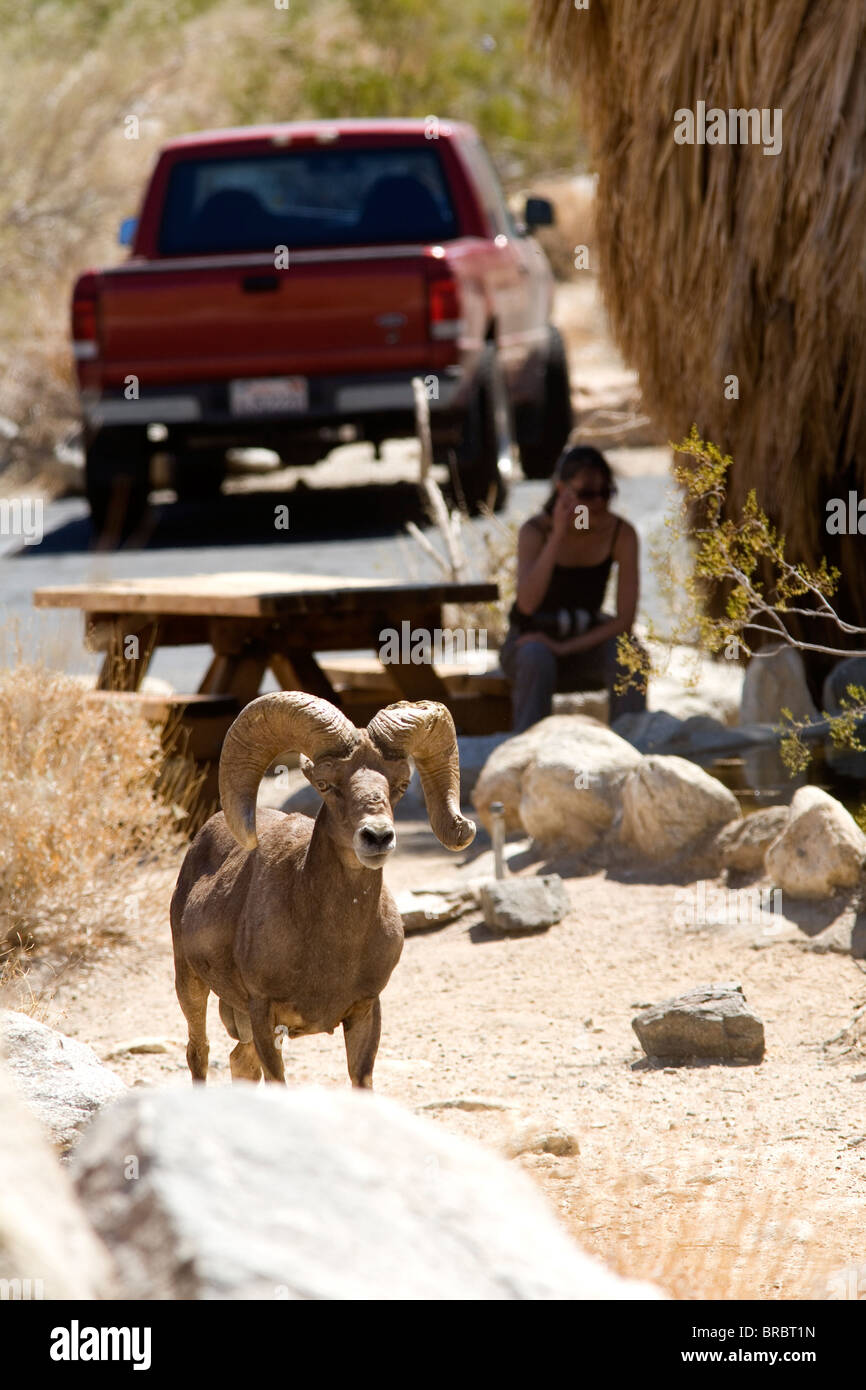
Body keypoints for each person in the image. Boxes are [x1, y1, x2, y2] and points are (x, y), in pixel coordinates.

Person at [499, 445, 647, 732]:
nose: (598, 503)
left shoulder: (621, 533)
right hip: (532, 642)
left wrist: (563, 647)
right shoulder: (535, 531)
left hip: (584, 641)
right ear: (561, 490)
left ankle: (633, 743)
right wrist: (558, 536)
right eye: (587, 495)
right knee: (535, 656)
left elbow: (624, 621)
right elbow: (526, 605)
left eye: (605, 493)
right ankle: (528, 746)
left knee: (631, 655)